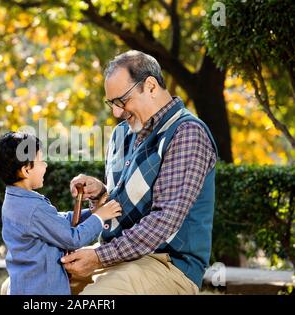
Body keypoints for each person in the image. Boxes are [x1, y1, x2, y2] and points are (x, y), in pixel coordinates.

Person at [62, 50, 218, 295]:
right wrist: (101, 194)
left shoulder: (187, 133)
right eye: (112, 103)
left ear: (151, 86)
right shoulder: (121, 134)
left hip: (168, 265)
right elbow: (124, 207)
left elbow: (163, 220)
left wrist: (98, 257)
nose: (116, 112)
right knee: (22, 288)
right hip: (117, 260)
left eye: (122, 101)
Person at [0, 132, 122, 295]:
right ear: (26, 170)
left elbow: (56, 222)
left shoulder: (16, 200)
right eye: (41, 161)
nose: (45, 165)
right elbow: (73, 239)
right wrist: (100, 217)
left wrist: (92, 212)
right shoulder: (33, 208)